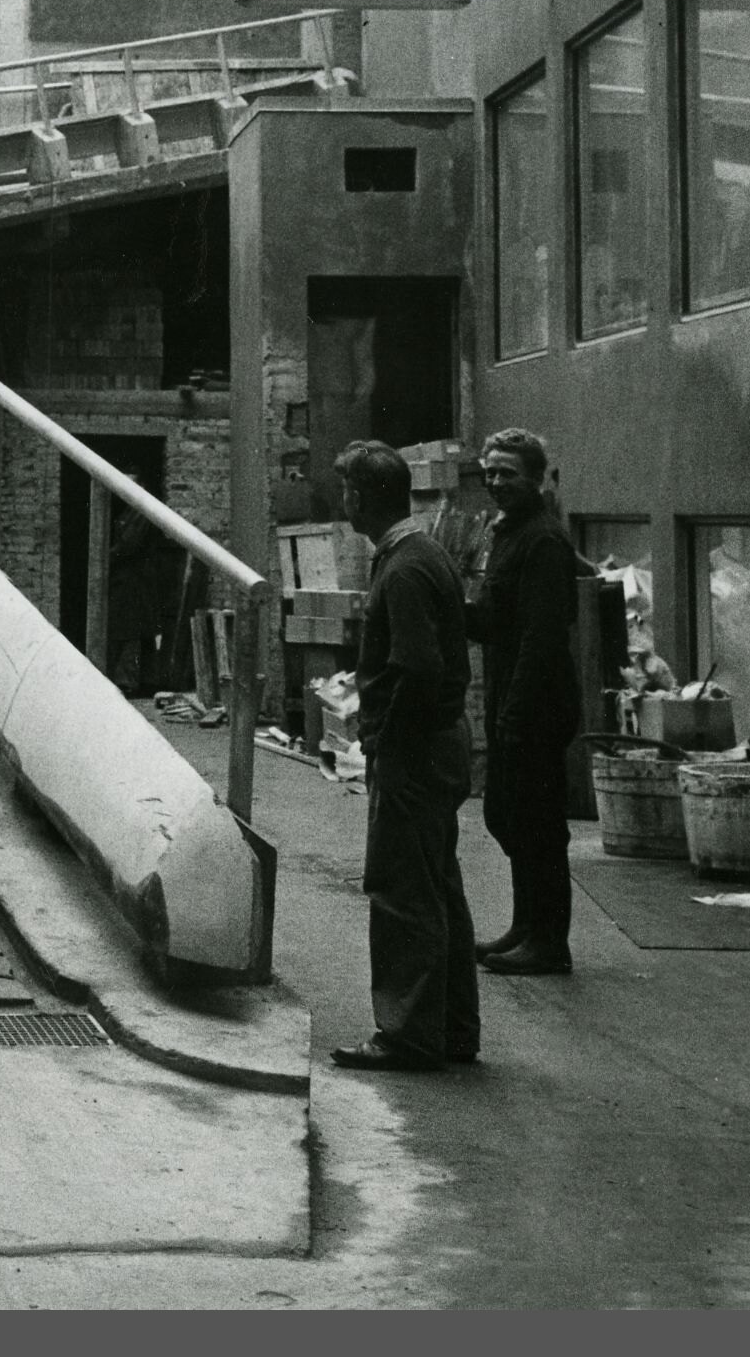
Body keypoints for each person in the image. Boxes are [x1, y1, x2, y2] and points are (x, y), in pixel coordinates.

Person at [328, 441, 480, 1074]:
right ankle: (451, 1028)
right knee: (436, 885)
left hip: (415, 752)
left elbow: (417, 667)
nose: (343, 501)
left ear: (360, 498)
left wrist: (385, 739)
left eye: (346, 491)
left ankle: (409, 1035)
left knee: (403, 892)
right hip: (436, 744)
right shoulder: (418, 554)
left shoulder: (405, 568)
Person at [467, 427, 581, 976]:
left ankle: (549, 942)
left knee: (538, 825)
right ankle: (525, 925)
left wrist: (514, 712)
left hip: (535, 705)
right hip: (510, 699)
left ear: (534, 478)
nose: (495, 481)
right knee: (508, 814)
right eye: (489, 472)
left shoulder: (543, 541)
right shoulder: (508, 533)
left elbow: (542, 637)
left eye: (507, 473)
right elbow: (496, 621)